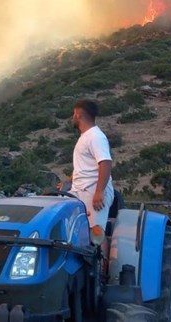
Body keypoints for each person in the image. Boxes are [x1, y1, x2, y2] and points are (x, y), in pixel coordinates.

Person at [70, 99, 115, 245]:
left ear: (78, 115)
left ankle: (100, 267)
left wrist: (99, 192)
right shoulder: (86, 137)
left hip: (93, 190)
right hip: (80, 191)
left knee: (96, 234)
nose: (72, 117)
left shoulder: (95, 136)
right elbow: (85, 167)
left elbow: (105, 162)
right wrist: (67, 181)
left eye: (73, 114)